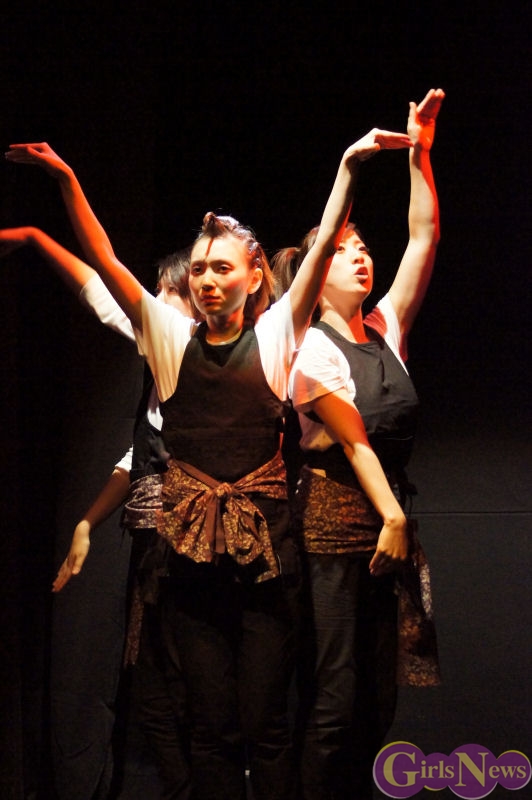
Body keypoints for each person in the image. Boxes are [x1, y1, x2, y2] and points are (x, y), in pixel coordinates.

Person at [3, 123, 412, 800]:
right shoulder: (169, 340)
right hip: (190, 565)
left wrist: (349, 166)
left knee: (266, 726)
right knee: (211, 727)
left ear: (254, 277)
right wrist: (66, 179)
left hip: (267, 564)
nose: (208, 280)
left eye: (222, 267)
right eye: (198, 269)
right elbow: (103, 259)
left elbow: (315, 261)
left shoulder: (277, 336)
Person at [272, 88, 445, 800]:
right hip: (330, 526)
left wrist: (420, 155)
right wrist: (390, 517)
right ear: (317, 275)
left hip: (387, 524)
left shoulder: (386, 329)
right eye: (343, 253)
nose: (362, 259)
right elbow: (350, 445)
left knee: (379, 698)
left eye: (364, 248)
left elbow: (423, 237)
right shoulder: (307, 346)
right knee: (335, 697)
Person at [0, 227, 195, 799]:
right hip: (161, 552)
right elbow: (139, 456)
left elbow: (102, 283)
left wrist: (38, 236)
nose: (151, 306)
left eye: (166, 295)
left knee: (195, 692)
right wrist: (87, 523)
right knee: (158, 696)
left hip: (205, 550)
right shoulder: (165, 375)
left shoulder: (201, 352)